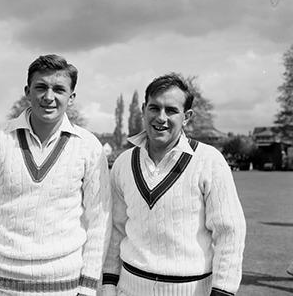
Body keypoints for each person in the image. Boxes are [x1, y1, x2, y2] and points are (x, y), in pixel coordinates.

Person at [0, 54, 111, 296]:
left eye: (59, 89)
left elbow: (99, 222)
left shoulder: (89, 146)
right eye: (41, 87)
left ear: (71, 98)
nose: (49, 97)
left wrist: (87, 288)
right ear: (28, 91)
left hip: (63, 287)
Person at [101, 73, 246, 296]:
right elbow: (116, 229)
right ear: (143, 109)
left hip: (191, 290)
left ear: (186, 116)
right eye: (154, 108)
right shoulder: (123, 162)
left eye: (171, 110)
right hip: (129, 287)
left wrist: (223, 290)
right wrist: (109, 282)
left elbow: (230, 232)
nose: (161, 117)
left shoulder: (209, 160)